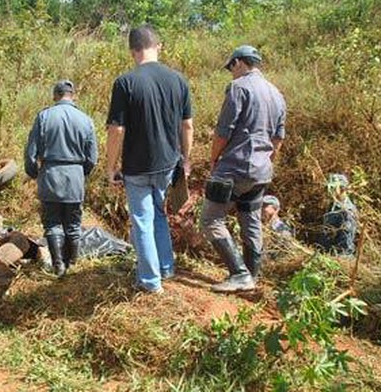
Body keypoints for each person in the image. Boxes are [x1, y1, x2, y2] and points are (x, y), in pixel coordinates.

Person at [105, 24, 194, 294]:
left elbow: (116, 129)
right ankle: (165, 267)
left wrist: (110, 167)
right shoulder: (179, 80)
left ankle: (150, 282)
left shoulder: (125, 83)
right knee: (158, 214)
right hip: (168, 163)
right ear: (159, 46)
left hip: (137, 167)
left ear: (132, 51)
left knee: (142, 220)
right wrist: (186, 160)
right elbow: (187, 126)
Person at [200, 45, 286, 292]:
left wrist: (214, 158)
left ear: (238, 62)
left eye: (230, 67)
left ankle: (239, 274)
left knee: (210, 219)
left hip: (234, 167)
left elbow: (223, 131)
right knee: (250, 220)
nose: (230, 72)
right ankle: (253, 277)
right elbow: (278, 139)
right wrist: (267, 159)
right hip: (261, 170)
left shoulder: (239, 88)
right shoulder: (276, 93)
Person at [24, 80, 98, 277]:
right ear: (72, 95)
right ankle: (72, 265)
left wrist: (34, 173)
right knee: (73, 225)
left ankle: (58, 266)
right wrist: (81, 173)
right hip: (74, 176)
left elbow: (31, 152)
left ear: (55, 95)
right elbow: (92, 158)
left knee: (52, 223)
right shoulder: (86, 120)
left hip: (50, 174)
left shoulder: (44, 116)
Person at [319, 173, 358, 257]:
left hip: (340, 259)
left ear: (342, 188)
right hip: (326, 255)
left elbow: (345, 244)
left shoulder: (347, 212)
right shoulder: (332, 206)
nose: (330, 192)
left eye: (333, 188)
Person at [262, 194, 293, 260]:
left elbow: (284, 252)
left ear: (275, 209)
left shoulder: (281, 229)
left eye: (265, 206)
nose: (261, 209)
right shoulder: (259, 227)